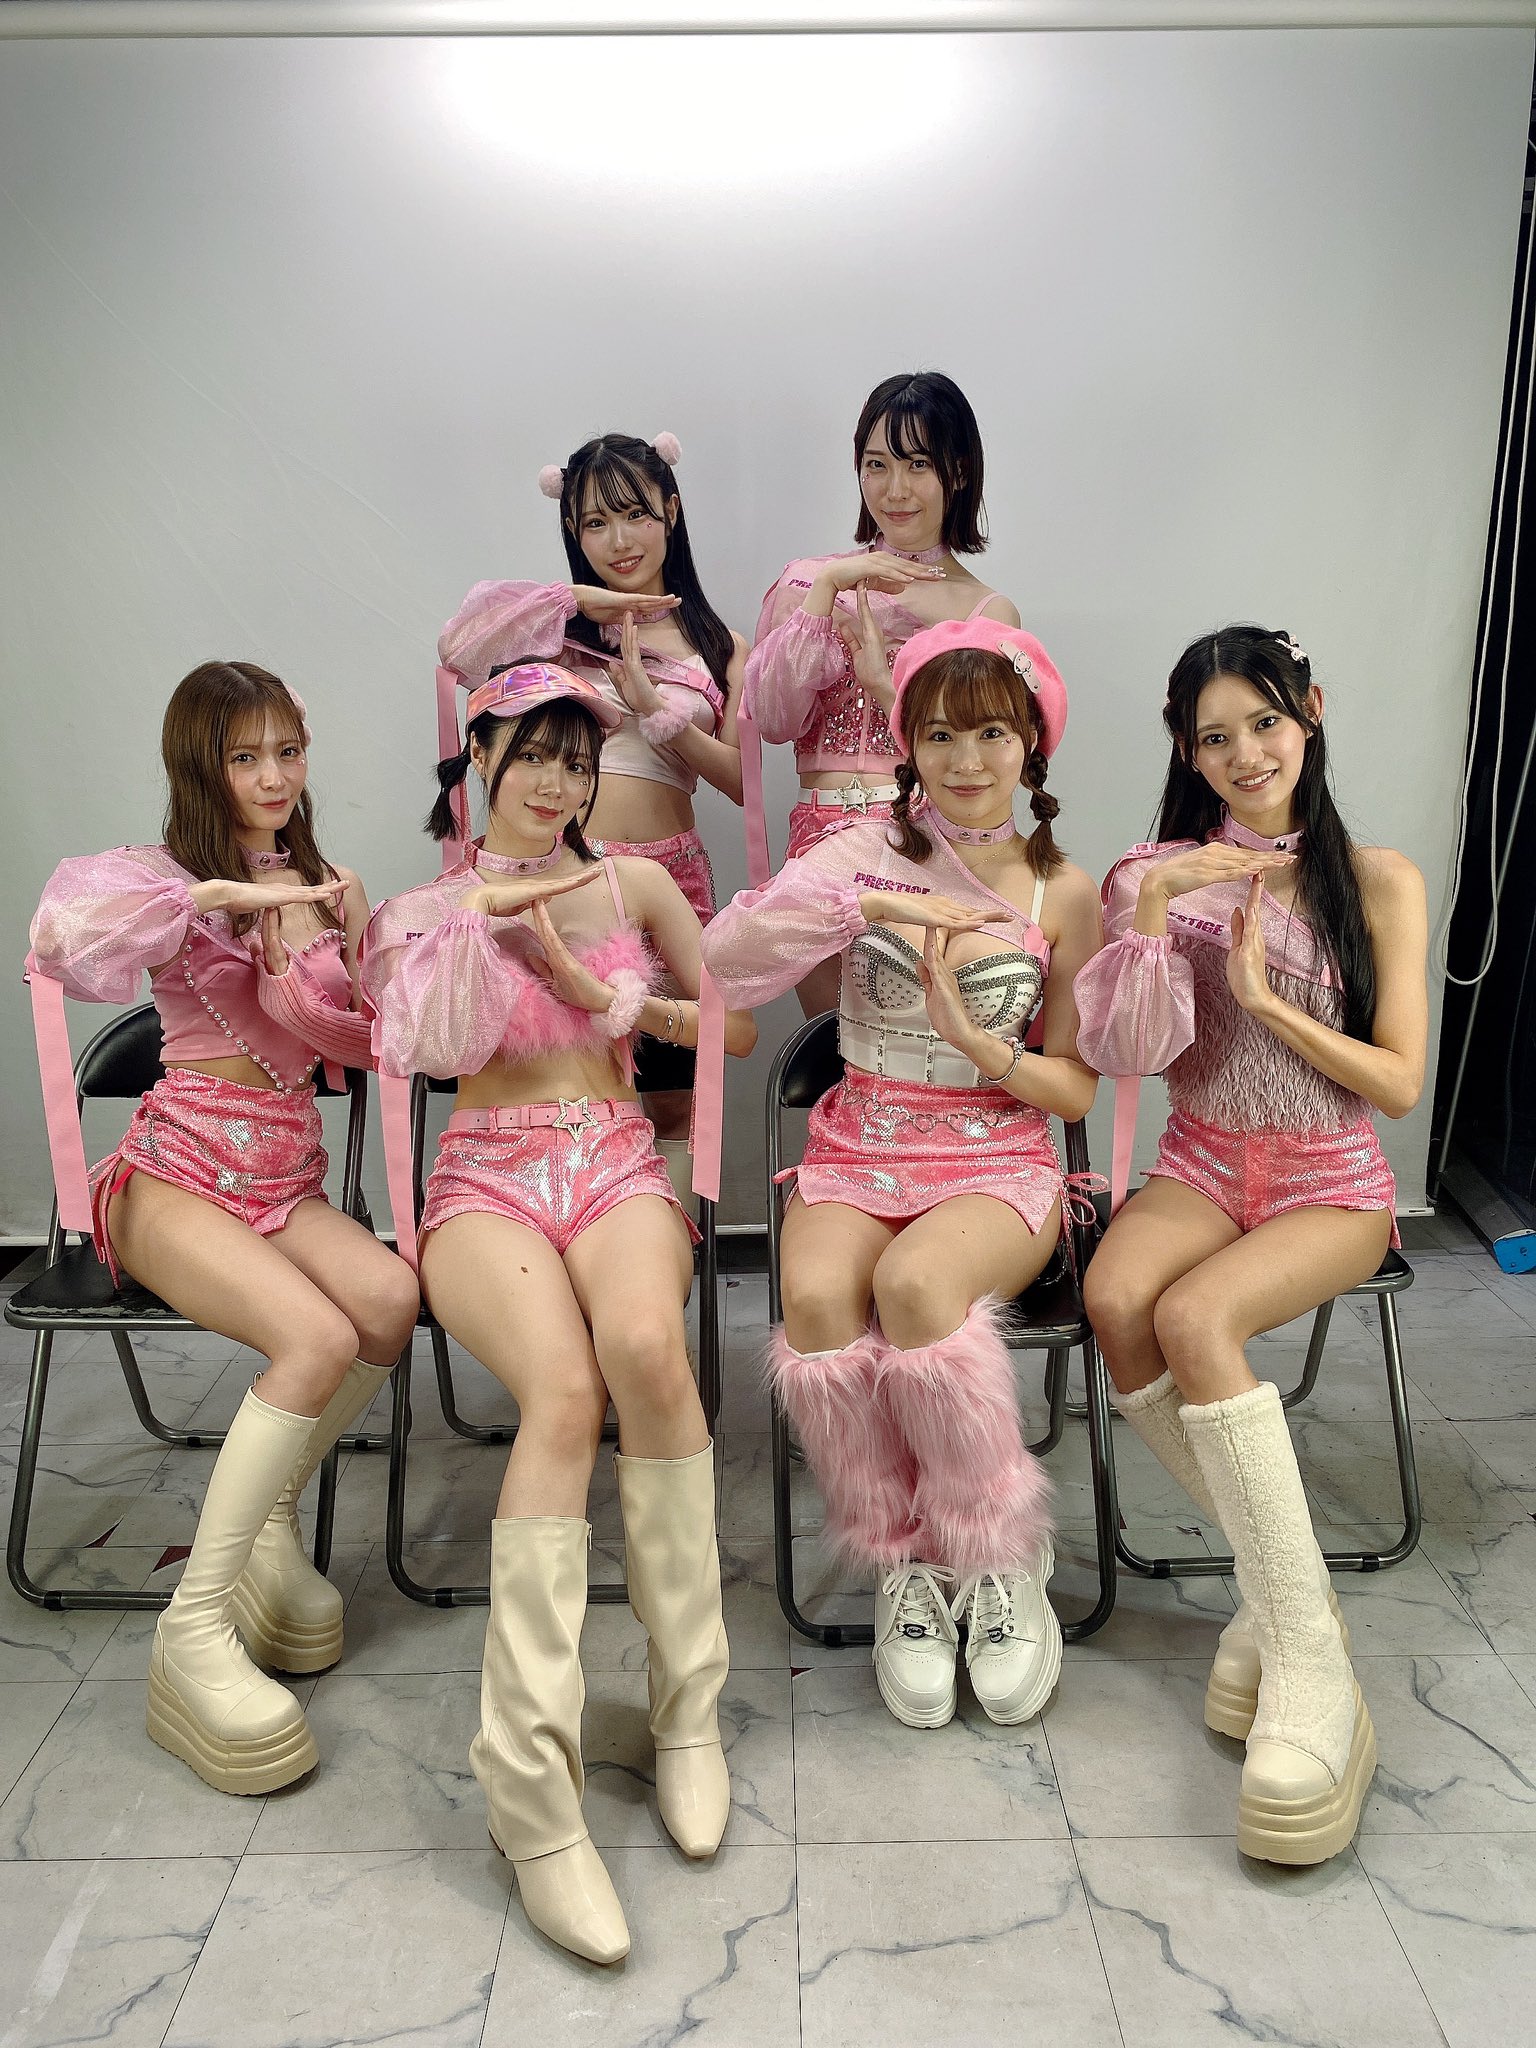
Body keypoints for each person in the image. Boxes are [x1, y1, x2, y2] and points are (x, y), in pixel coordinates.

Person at [362, 662, 756, 1966]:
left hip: (612, 1152)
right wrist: (472, 933)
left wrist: (611, 1000)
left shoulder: (634, 884)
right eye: (532, 753)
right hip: (485, 1175)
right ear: (478, 753)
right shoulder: (427, 909)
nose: (556, 780)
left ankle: (687, 1710)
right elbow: (413, 1051)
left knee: (644, 1346)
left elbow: (734, 1033)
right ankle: (531, 1798)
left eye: (577, 760)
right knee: (565, 1394)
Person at [28, 660, 419, 1795]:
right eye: (245, 757)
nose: (273, 778)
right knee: (314, 1339)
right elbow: (60, 939)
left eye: (287, 752)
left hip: (283, 1177)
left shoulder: (320, 886)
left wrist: (349, 931)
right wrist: (211, 900)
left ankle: (270, 1523)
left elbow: (371, 1041)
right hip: (174, 1174)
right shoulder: (161, 878)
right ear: (201, 768)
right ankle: (191, 1632)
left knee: (390, 1300)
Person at [705, 617, 1101, 1730]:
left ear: (1031, 743)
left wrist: (986, 1050)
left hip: (995, 1151)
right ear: (907, 746)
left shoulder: (1063, 891)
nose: (966, 760)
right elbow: (726, 958)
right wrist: (866, 902)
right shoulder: (859, 853)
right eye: (939, 735)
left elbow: (1075, 1090)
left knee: (917, 1286)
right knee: (816, 1296)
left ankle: (999, 1555)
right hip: (861, 1140)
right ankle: (907, 1562)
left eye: (992, 733)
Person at [1074, 624, 1428, 1866]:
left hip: (1332, 1178)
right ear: (1187, 750)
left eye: (1265, 723)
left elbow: (1398, 1082)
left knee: (1195, 1319)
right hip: (1205, 1159)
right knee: (1116, 1297)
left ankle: (1311, 1664)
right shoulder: (1157, 874)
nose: (1246, 754)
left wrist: (1273, 1001)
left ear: (1310, 712)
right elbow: (1131, 1051)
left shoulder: (1380, 878)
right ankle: (1291, 1597)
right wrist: (1148, 919)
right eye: (1215, 736)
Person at [436, 431, 746, 1208]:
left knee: (677, 1085)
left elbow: (744, 782)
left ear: (671, 509)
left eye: (635, 514)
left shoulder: (722, 645)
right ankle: (550, 1218)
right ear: (572, 530)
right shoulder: (552, 634)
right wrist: (575, 603)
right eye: (595, 523)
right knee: (565, 1064)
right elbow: (456, 648)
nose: (618, 540)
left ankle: (663, 1246)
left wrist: (656, 712)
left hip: (671, 875)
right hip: (564, 872)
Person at [744, 370, 1023, 1015]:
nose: (894, 489)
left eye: (917, 464)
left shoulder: (987, 612)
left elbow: (989, 758)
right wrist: (826, 593)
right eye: (876, 465)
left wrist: (884, 685)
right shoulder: (808, 583)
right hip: (819, 836)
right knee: (831, 1042)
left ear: (957, 471)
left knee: (918, 1039)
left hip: (929, 836)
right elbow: (775, 720)